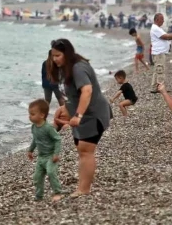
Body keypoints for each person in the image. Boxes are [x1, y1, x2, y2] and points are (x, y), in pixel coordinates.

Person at [47, 38, 111, 197]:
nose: (55, 60)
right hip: (81, 114)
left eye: (57, 55)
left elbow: (87, 91)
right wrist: (65, 108)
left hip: (93, 114)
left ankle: (84, 189)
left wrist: (78, 115)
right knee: (81, 149)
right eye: (52, 56)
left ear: (66, 53)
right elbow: (73, 94)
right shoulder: (66, 67)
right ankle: (82, 186)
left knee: (86, 150)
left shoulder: (78, 68)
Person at [27, 99, 64, 202]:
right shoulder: (34, 127)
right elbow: (35, 139)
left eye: (32, 114)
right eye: (29, 114)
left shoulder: (48, 128)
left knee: (51, 172)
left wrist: (56, 154)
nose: (29, 116)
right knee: (37, 177)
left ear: (42, 115)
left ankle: (57, 192)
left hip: (50, 156)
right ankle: (39, 195)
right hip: (41, 157)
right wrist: (30, 150)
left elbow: (57, 139)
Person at [149, 13, 172, 93]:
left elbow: (167, 36)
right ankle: (161, 88)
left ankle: (154, 87)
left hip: (159, 53)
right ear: (157, 19)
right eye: (162, 19)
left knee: (157, 71)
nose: (163, 21)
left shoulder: (157, 28)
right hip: (159, 53)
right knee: (160, 71)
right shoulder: (155, 28)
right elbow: (166, 37)